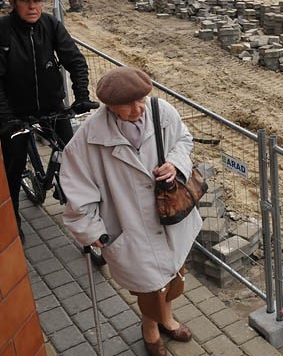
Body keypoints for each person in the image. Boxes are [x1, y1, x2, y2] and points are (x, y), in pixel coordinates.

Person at [60, 67, 201, 356]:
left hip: (170, 218)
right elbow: (77, 189)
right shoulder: (88, 140)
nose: (138, 109)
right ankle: (151, 330)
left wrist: (175, 163)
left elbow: (184, 140)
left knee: (174, 277)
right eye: (127, 105)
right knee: (148, 288)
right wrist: (91, 230)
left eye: (141, 100)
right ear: (108, 106)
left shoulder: (161, 112)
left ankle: (168, 318)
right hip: (128, 225)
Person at [0, 0, 97, 241]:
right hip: (16, 114)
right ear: (12, 1)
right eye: (25, 0)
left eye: (37, 1)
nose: (33, 6)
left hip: (53, 107)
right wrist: (6, 117)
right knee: (11, 171)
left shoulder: (51, 25)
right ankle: (13, 220)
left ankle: (80, 207)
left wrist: (80, 95)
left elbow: (75, 61)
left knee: (74, 158)